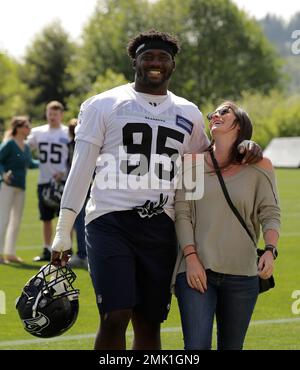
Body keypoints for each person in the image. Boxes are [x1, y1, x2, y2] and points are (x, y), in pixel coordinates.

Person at [50, 30, 262, 350]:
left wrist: (243, 147)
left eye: (163, 58)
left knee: (149, 322)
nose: (155, 63)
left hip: (162, 224)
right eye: (148, 56)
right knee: (115, 315)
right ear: (134, 61)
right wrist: (63, 230)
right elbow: (81, 169)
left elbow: (204, 166)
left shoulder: (188, 112)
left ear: (173, 66)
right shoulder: (102, 104)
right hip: (110, 218)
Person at [172, 101, 280, 350]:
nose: (215, 115)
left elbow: (270, 212)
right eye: (213, 113)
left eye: (224, 111)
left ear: (239, 123)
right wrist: (190, 258)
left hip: (243, 274)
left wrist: (270, 249)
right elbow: (182, 212)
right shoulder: (192, 163)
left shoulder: (259, 166)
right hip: (197, 269)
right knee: (196, 348)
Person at [27, 101, 70, 262]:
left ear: (61, 115)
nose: (52, 117)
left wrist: (64, 172)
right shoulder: (38, 132)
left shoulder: (67, 132)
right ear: (46, 113)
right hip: (44, 180)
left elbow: (73, 157)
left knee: (64, 218)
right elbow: (24, 148)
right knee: (45, 218)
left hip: (63, 181)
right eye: (50, 113)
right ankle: (46, 249)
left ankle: (65, 250)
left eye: (55, 114)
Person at [0, 116, 39, 264]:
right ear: (19, 128)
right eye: (27, 127)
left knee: (16, 221)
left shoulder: (27, 146)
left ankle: (10, 253)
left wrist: (46, 163)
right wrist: (3, 174)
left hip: (20, 188)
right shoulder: (9, 144)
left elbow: (31, 164)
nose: (29, 130)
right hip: (7, 186)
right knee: (3, 220)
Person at [67, 119, 88, 269]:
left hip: (85, 186)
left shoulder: (82, 144)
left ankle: (83, 254)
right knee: (78, 221)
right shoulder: (72, 145)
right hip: (80, 186)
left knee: (81, 222)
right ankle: (81, 253)